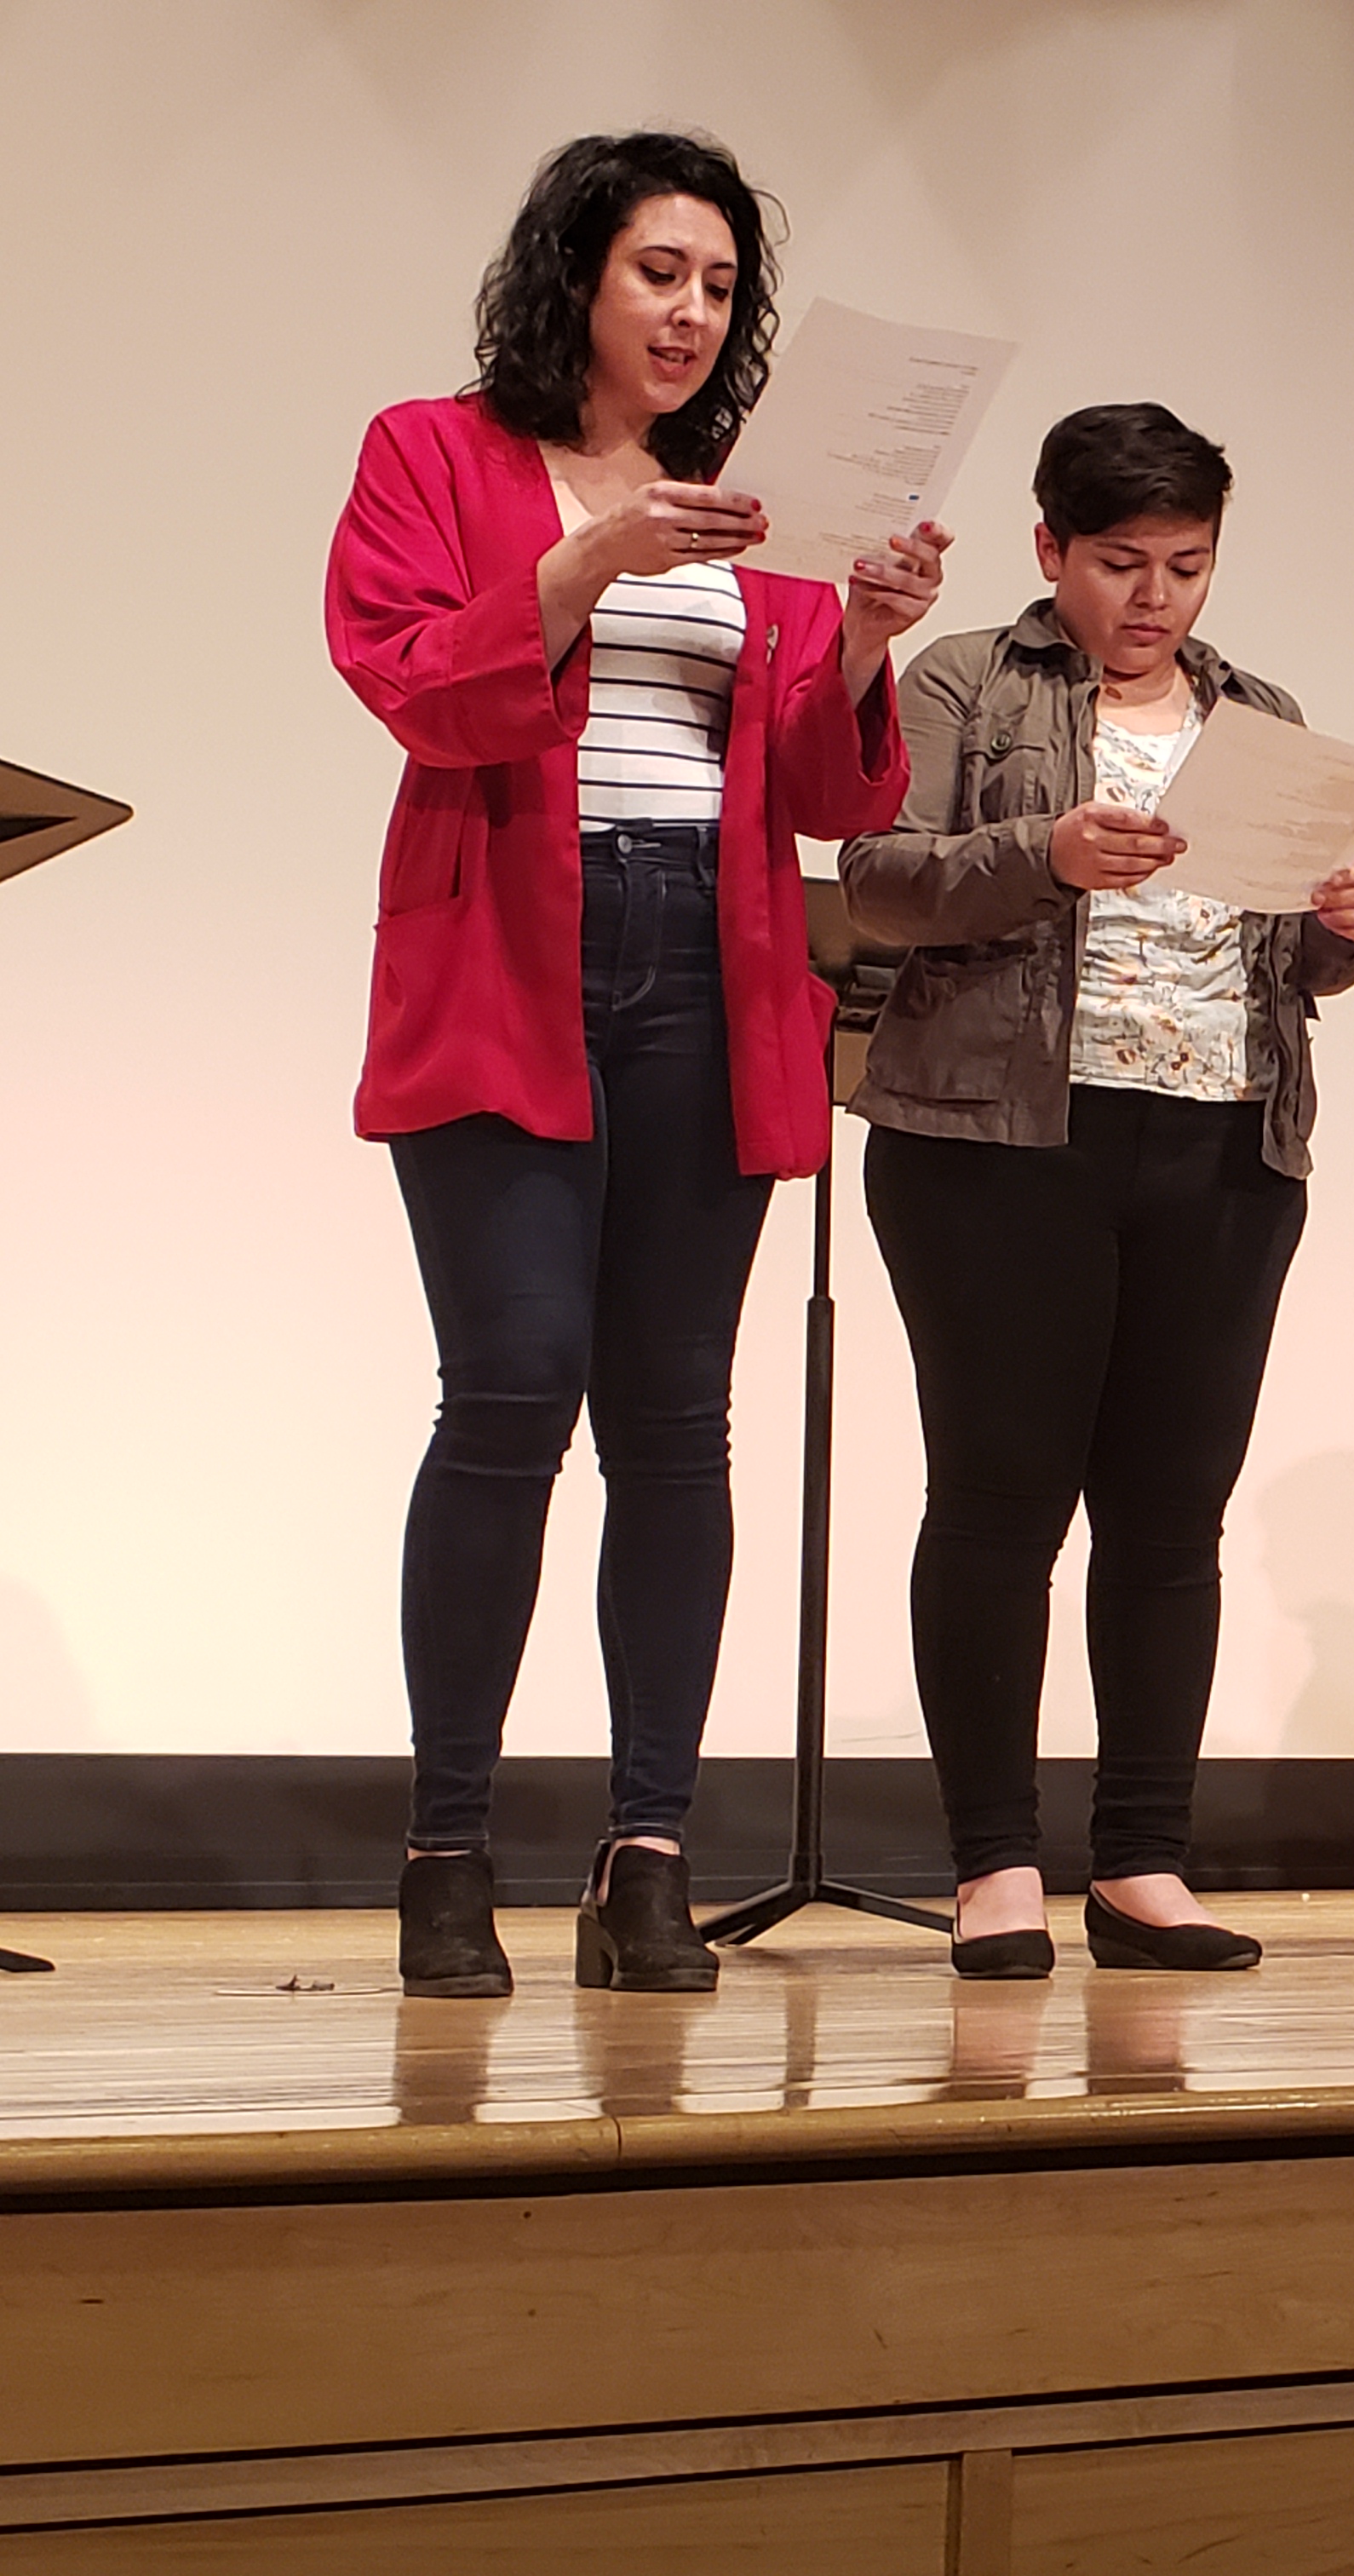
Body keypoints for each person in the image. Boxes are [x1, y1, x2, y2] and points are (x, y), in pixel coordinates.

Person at [327, 131, 946, 1998]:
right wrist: (590, 559)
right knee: (512, 1385)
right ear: (576, 277)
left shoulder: (761, 507)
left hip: (711, 949)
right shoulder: (435, 453)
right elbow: (413, 684)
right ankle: (448, 1849)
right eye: (659, 273)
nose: (690, 313)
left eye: (721, 287)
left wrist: (869, 643)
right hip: (510, 949)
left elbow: (826, 793)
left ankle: (647, 1855)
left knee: (675, 1420)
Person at [840, 405, 1354, 1979]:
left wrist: (1344, 924)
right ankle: (995, 1864)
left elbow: (1296, 964)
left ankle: (1144, 1861)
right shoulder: (966, 681)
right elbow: (876, 877)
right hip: (1001, 1139)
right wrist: (1048, 853)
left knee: (1169, 1516)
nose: (1155, 597)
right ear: (1050, 549)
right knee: (1000, 1502)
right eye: (1120, 563)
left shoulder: (1260, 713)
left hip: (1223, 1143)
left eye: (1186, 566)